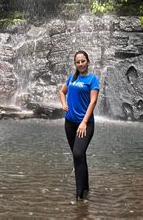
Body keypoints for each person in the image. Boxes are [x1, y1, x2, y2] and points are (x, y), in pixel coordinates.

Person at [59, 50, 100, 201]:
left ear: (87, 61)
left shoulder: (92, 79)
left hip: (85, 124)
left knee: (77, 154)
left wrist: (83, 122)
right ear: (75, 64)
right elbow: (62, 92)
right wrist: (63, 104)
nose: (81, 64)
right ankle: (86, 187)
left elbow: (93, 102)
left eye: (83, 61)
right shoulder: (71, 78)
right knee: (79, 156)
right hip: (69, 123)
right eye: (78, 62)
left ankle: (79, 196)